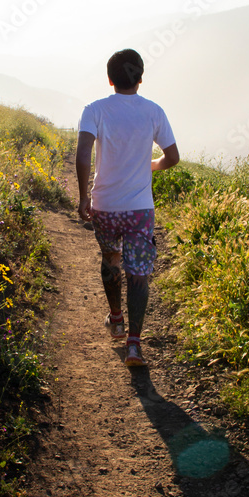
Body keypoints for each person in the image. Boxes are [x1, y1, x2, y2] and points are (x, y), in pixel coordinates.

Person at [76, 49, 180, 368]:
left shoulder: (94, 110)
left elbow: (82, 157)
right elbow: (173, 158)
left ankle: (116, 320)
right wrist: (150, 165)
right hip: (139, 209)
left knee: (111, 259)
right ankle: (134, 345)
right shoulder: (154, 112)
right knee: (138, 274)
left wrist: (83, 198)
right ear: (141, 78)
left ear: (110, 79)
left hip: (104, 206)